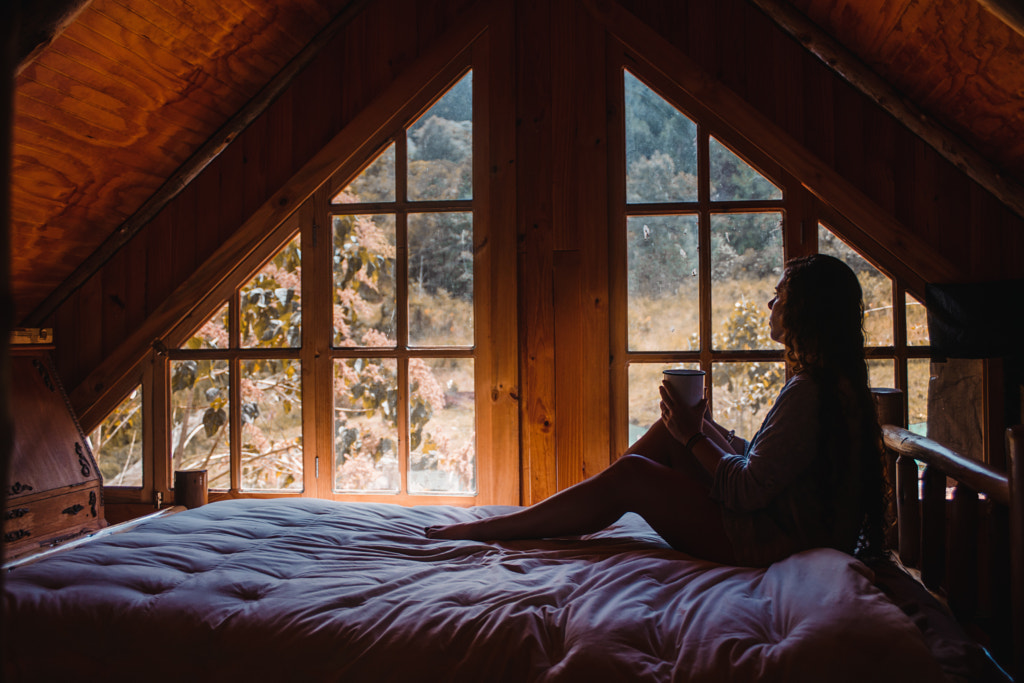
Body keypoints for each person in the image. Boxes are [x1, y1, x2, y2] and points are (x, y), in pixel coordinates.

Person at [426, 254, 885, 567]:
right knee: (664, 438)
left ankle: (503, 527)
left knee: (633, 476)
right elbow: (774, 468)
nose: (772, 302)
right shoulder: (834, 383)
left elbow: (747, 491)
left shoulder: (810, 390)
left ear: (806, 310)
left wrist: (694, 437)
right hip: (784, 529)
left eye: (782, 294)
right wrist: (695, 429)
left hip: (770, 543)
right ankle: (554, 514)